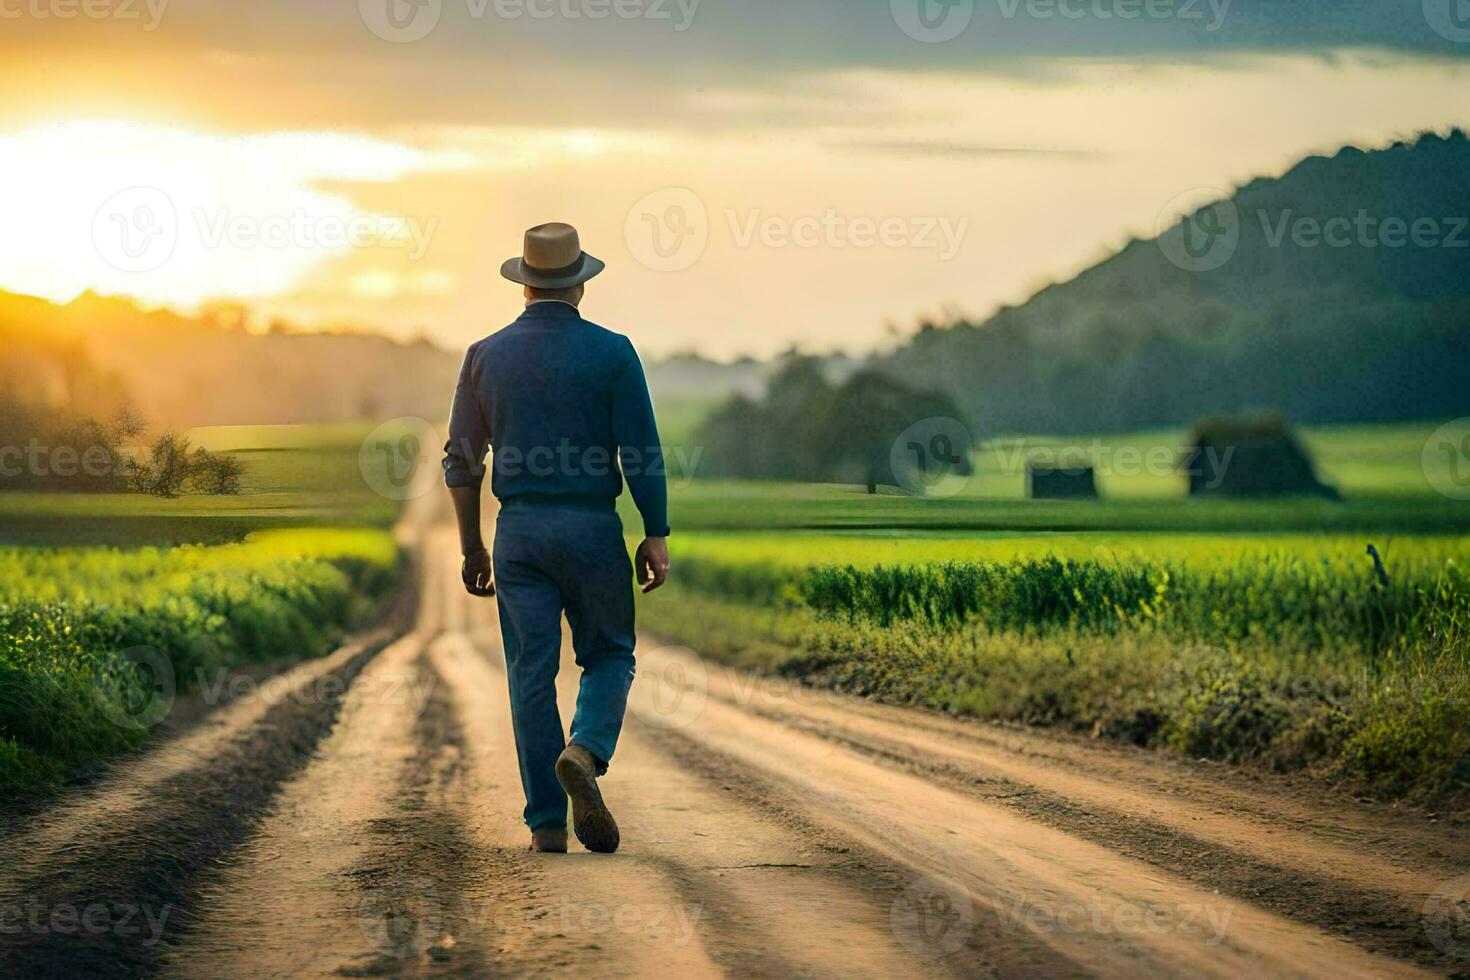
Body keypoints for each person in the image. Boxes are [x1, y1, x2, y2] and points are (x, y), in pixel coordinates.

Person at [442, 222, 671, 854]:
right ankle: (586, 750)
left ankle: (546, 822)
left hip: (519, 532)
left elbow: (462, 462)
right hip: (594, 527)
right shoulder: (613, 352)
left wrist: (472, 547)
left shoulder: (484, 356)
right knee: (609, 655)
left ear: (523, 284)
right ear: (579, 285)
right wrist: (655, 531)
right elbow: (642, 452)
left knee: (529, 672)